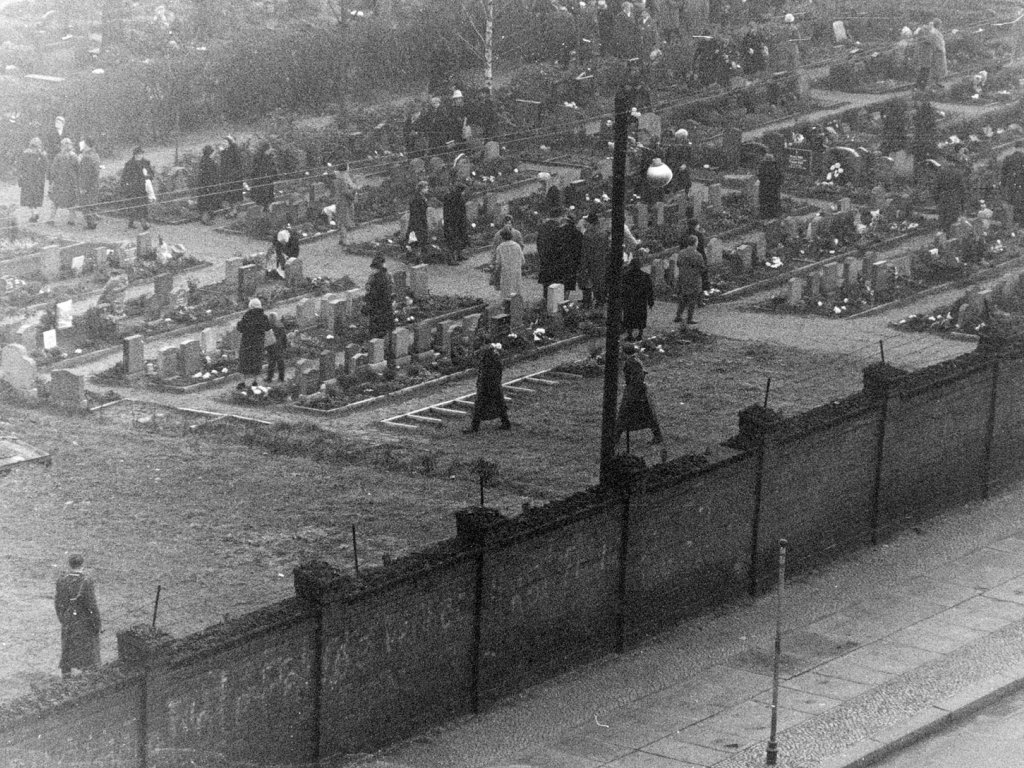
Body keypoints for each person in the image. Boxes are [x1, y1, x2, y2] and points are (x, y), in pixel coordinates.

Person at [54, 553, 101, 677]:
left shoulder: (61, 580)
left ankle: (66, 675)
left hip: (68, 618)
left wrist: (62, 617)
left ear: (69, 565)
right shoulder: (86, 581)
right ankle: (87, 676)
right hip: (83, 618)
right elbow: (92, 604)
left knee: (67, 647)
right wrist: (97, 622)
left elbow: (58, 603)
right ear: (82, 565)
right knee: (87, 649)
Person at [616, 344, 663, 445]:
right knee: (647, 414)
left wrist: (633, 391)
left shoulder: (631, 362)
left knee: (624, 414)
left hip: (634, 392)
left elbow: (638, 377)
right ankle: (657, 436)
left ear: (625, 352)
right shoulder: (635, 360)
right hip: (639, 391)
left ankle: (615, 437)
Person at [464, 344, 511, 433]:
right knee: (500, 404)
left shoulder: (488, 361)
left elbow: (484, 375)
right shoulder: (495, 359)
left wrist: (481, 385)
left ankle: (474, 427)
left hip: (487, 387)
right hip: (495, 386)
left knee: (479, 407)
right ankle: (506, 423)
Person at [236, 297, 272, 387]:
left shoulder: (247, 316)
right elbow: (268, 327)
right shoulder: (263, 316)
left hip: (247, 342)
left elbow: (240, 328)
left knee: (244, 361)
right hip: (258, 343)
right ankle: (255, 382)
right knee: (256, 361)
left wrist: (239, 324)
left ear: (250, 306)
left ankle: (242, 382)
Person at [120, 146, 153, 230]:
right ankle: (134, 222)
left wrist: (148, 176)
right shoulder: (129, 164)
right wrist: (124, 186)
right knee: (134, 205)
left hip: (143, 187)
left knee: (142, 205)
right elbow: (124, 176)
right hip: (132, 187)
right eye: (137, 154)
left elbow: (151, 174)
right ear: (134, 155)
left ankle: (144, 222)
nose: (139, 156)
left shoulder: (146, 162)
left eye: (141, 154)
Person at [363, 255, 395, 342]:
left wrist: (368, 298)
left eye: (374, 268)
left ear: (378, 269)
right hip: (381, 305)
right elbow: (368, 287)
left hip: (380, 305)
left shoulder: (382, 277)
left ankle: (380, 340)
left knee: (379, 325)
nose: (372, 270)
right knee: (381, 324)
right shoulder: (376, 276)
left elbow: (376, 292)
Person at [674, 235, 705, 324]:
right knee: (692, 299)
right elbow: (702, 268)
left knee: (683, 298)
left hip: (683, 278)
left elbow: (678, 264)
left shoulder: (681, 253)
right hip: (694, 279)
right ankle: (689, 318)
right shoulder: (698, 255)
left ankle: (678, 316)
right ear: (695, 243)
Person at [579, 212, 608, 309]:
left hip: (590, 262)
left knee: (587, 282)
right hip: (601, 262)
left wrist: (583, 265)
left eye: (587, 222)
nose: (586, 224)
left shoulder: (588, 234)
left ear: (592, 223)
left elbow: (585, 251)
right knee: (599, 283)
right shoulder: (603, 233)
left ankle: (588, 302)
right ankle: (600, 301)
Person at [621, 256, 654, 341]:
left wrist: (621, 300)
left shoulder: (626, 276)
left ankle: (630, 334)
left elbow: (622, 289)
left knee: (629, 316)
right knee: (641, 317)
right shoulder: (645, 276)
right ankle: (640, 334)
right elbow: (649, 290)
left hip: (629, 300)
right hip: (641, 300)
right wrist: (650, 302)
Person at [47, 137, 79, 226]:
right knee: (71, 200)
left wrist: (52, 181)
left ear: (61, 146)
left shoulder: (58, 156)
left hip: (59, 182)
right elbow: (78, 169)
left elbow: (53, 170)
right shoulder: (75, 156)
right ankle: (72, 220)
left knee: (55, 200)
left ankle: (51, 219)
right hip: (70, 182)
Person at [18, 137, 47, 223]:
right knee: (35, 197)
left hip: (28, 178)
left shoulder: (26, 153)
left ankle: (34, 213)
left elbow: (21, 166)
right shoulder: (43, 155)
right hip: (39, 179)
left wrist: (21, 176)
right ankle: (34, 214)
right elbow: (45, 167)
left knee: (29, 197)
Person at [935, 159, 968, 234]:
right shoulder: (958, 173)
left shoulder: (941, 172)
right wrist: (963, 203)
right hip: (954, 198)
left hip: (943, 198)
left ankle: (943, 236)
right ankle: (951, 237)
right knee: (953, 219)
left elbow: (936, 188)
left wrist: (937, 201)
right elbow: (962, 189)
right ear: (954, 163)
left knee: (943, 219)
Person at [493, 227, 524, 300]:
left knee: (506, 290)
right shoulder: (517, 246)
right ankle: (517, 304)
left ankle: (507, 306)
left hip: (505, 272)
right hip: (516, 271)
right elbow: (523, 260)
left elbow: (498, 262)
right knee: (516, 288)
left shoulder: (500, 247)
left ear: (502, 237)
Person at [442, 182, 470, 264]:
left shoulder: (455, 197)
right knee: (452, 240)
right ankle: (451, 259)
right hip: (454, 223)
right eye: (463, 191)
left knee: (458, 239)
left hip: (455, 222)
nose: (464, 193)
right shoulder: (456, 198)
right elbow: (458, 212)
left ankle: (459, 255)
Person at [77, 136, 101, 230]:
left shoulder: (86, 157)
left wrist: (83, 187)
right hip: (95, 183)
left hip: (87, 184)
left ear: (86, 144)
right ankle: (93, 220)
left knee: (85, 204)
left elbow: (84, 173)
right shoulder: (95, 155)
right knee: (91, 203)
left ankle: (91, 223)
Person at [219, 136, 245, 218]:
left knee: (235, 195)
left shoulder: (233, 151)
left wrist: (233, 142)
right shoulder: (224, 152)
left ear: (230, 144)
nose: (223, 144)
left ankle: (234, 211)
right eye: (223, 142)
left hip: (234, 177)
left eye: (225, 142)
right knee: (228, 196)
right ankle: (232, 211)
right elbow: (223, 165)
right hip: (227, 178)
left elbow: (237, 162)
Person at [333, 162, 358, 245]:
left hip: (341, 201)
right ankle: (344, 240)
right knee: (344, 221)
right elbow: (345, 192)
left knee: (342, 220)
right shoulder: (342, 179)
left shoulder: (340, 177)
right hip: (344, 202)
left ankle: (342, 239)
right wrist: (354, 191)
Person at [195, 144, 220, 225]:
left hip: (203, 184)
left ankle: (205, 217)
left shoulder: (204, 159)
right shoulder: (208, 161)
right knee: (207, 202)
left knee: (204, 201)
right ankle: (205, 219)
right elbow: (211, 174)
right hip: (208, 185)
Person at [249, 143, 277, 211]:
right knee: (264, 196)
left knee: (268, 196)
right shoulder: (262, 158)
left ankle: (267, 209)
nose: (270, 150)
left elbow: (272, 168)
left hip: (267, 180)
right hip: (264, 180)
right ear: (266, 150)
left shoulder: (268, 157)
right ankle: (264, 210)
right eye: (269, 149)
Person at [1001, 140, 1024, 223]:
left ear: (1015, 148)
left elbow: (1003, 175)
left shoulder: (1008, 158)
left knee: (1012, 205)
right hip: (1022, 186)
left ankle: (1014, 225)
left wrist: (1003, 186)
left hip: (1011, 187)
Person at [757, 152, 783, 220]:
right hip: (773, 188)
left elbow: (759, 176)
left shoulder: (762, 166)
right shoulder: (775, 166)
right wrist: (777, 184)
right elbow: (780, 177)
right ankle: (773, 216)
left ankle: (765, 217)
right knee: (773, 202)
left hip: (765, 188)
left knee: (765, 202)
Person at [406, 181, 430, 253]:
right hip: (417, 221)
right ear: (421, 189)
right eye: (426, 188)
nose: (427, 189)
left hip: (421, 220)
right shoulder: (417, 198)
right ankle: (416, 255)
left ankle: (421, 253)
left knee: (422, 236)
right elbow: (416, 211)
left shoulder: (422, 197)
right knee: (418, 237)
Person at [264, 312, 288, 383]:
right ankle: (281, 378)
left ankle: (269, 378)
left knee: (272, 362)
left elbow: (265, 338)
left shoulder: (267, 327)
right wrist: (285, 346)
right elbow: (284, 338)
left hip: (271, 347)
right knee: (280, 362)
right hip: (279, 347)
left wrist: (265, 347)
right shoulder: (280, 326)